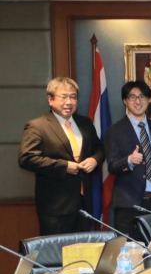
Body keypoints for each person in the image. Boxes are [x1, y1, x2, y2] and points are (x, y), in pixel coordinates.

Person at [19, 77, 105, 235]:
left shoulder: (85, 123)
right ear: (50, 99)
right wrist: (64, 166)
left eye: (73, 97)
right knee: (58, 250)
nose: (69, 102)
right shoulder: (37, 126)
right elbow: (27, 158)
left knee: (84, 249)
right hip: (55, 207)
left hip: (84, 204)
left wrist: (94, 159)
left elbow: (99, 149)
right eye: (63, 97)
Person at [105, 81, 151, 241]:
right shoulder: (115, 131)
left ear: (149, 99)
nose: (138, 101)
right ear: (125, 101)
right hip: (129, 204)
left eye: (142, 97)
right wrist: (129, 160)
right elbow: (112, 166)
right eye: (133, 97)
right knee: (130, 251)